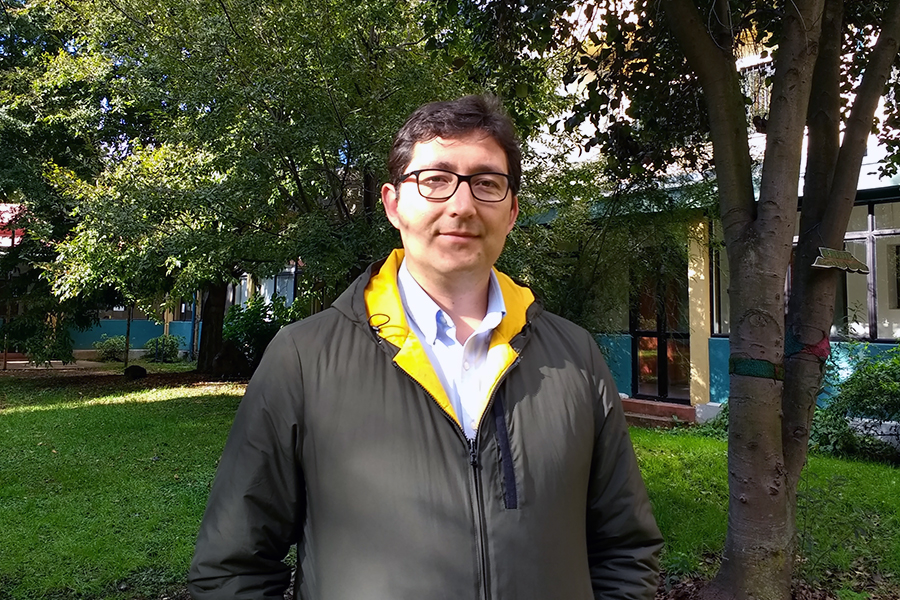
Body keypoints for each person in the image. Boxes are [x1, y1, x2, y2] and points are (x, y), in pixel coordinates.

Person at [188, 95, 663, 600]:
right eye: (435, 180)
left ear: (512, 211)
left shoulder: (574, 356)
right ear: (393, 204)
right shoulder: (303, 359)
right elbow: (231, 569)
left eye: (487, 183)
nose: (462, 205)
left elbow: (625, 551)